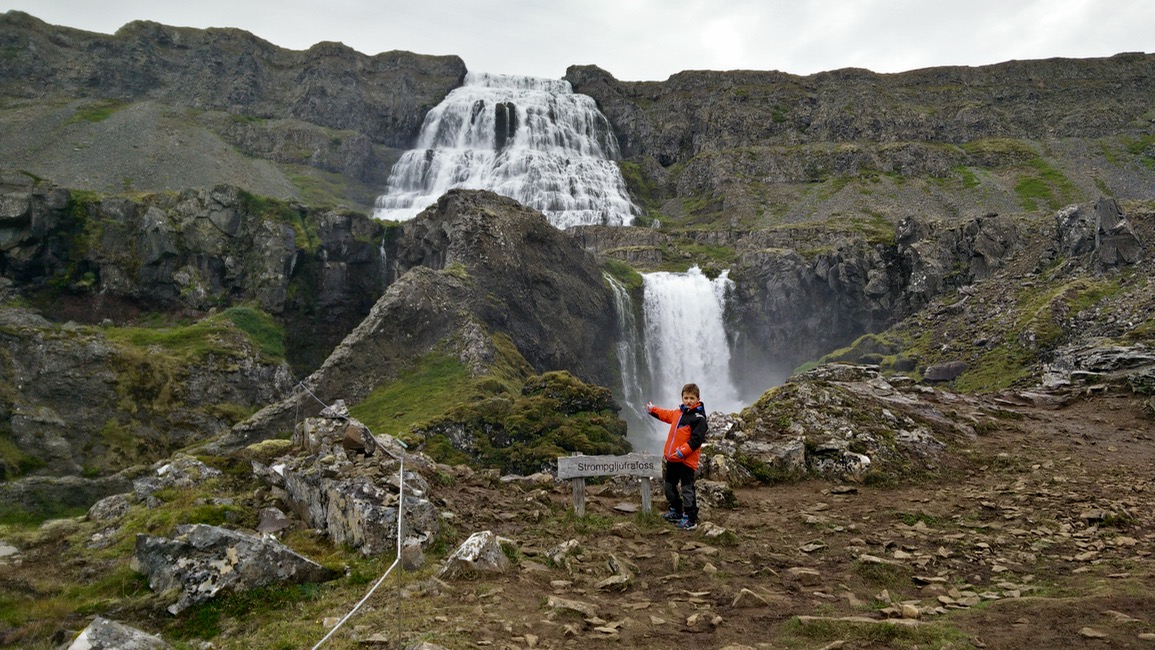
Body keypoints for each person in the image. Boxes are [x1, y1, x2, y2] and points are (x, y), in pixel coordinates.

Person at [646, 383, 708, 531]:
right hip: (673, 458)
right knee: (669, 486)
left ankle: (690, 518)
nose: (688, 401)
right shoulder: (678, 413)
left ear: (698, 399)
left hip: (686, 461)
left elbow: (696, 439)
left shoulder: (699, 418)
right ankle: (676, 510)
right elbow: (665, 414)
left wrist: (683, 451)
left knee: (687, 489)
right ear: (682, 398)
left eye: (692, 398)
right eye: (686, 397)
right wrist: (652, 410)